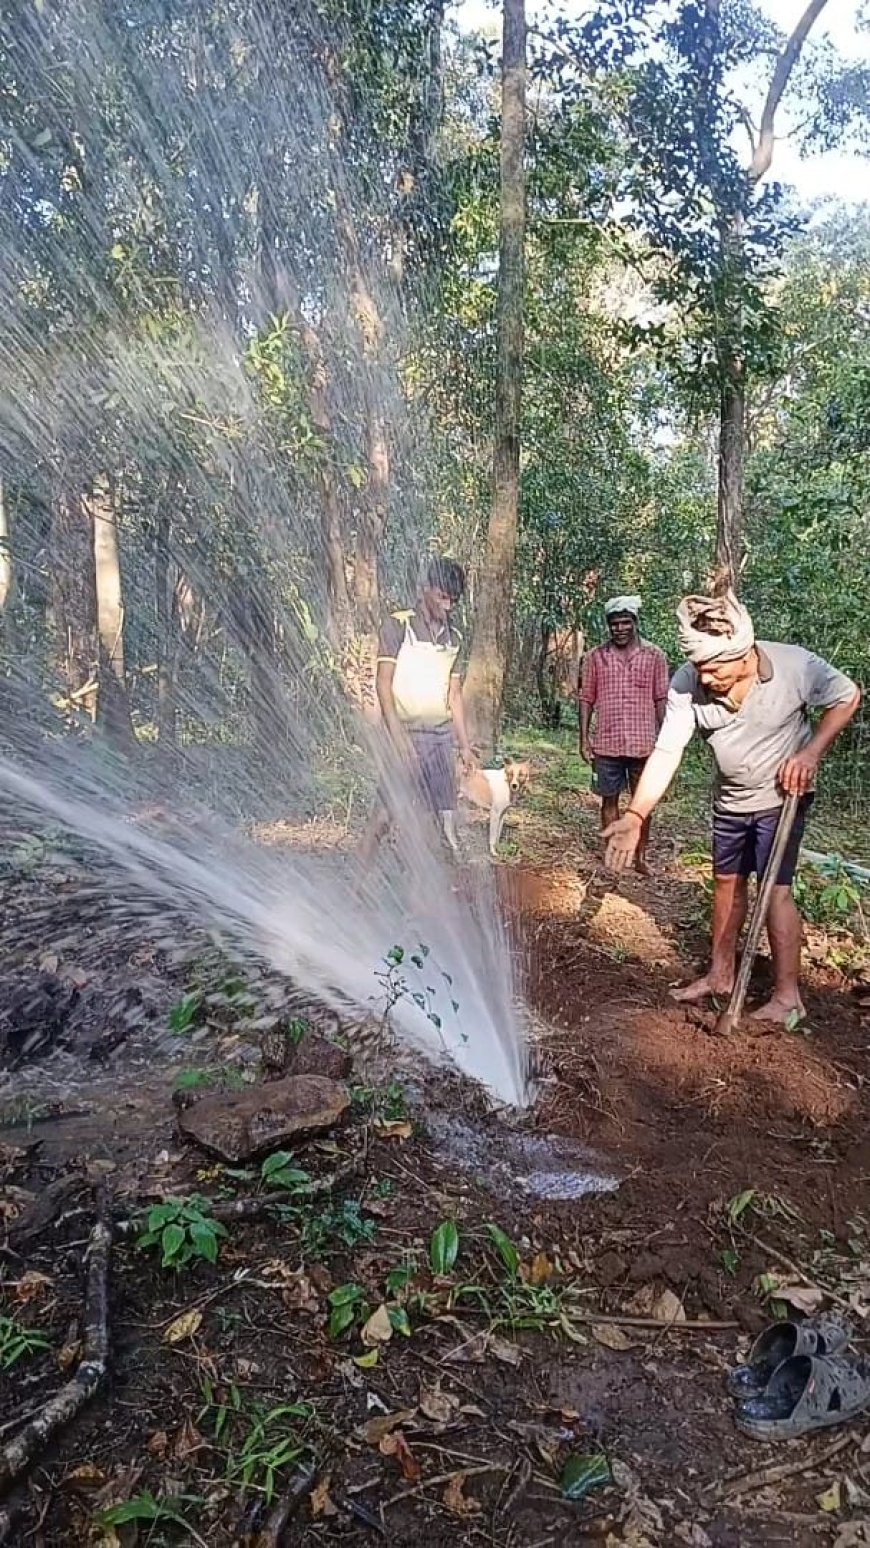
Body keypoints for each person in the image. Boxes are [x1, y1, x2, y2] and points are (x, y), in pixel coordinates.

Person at [604, 591, 861, 1024]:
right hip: (731, 800)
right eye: (700, 668)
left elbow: (848, 695)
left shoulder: (794, 666)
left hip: (782, 796)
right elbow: (667, 751)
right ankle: (720, 975)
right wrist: (635, 815)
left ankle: (787, 998)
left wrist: (811, 753)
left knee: (774, 890)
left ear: (745, 654)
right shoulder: (687, 682)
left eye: (714, 668)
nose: (704, 679)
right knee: (726, 882)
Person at [359, 558, 476, 861]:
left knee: (430, 823)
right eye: (442, 597)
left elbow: (454, 694)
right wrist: (397, 736)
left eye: (454, 600)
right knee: (385, 815)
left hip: (439, 740)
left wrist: (464, 746)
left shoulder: (457, 637)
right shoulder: (399, 625)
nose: (448, 606)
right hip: (406, 734)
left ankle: (420, 900)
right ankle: (354, 891)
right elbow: (383, 684)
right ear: (425, 589)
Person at [580, 594, 669, 875]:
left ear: (635, 623)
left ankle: (640, 856)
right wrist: (584, 738)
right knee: (609, 799)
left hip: (644, 744)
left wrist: (666, 742)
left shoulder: (655, 656)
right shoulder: (595, 657)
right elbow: (586, 698)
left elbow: (661, 699)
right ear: (608, 626)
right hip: (607, 742)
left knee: (643, 803)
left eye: (625, 623)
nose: (620, 629)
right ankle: (613, 854)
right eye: (615, 624)